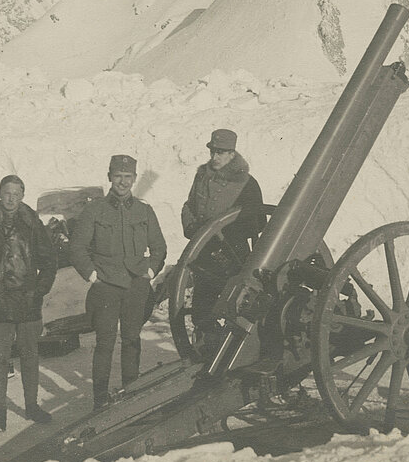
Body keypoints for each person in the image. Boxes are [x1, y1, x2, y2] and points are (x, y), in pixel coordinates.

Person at [70, 155, 167, 410]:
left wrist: (149, 270)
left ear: (134, 179)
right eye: (118, 176)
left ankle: (130, 394)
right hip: (106, 286)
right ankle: (100, 400)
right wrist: (92, 275)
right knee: (105, 343)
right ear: (109, 177)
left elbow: (159, 246)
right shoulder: (95, 210)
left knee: (132, 340)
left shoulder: (144, 210)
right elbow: (77, 247)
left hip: (136, 285)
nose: (123, 182)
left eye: (128, 177)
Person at [0, 175, 57, 431]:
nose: (12, 198)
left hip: (28, 302)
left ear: (23, 196)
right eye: (7, 192)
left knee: (30, 356)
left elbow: (50, 261)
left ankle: (32, 406)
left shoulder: (34, 225)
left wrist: (39, 290)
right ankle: (0, 412)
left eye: (17, 193)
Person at [180, 129, 266, 357]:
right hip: (205, 253)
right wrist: (192, 229)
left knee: (233, 305)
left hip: (233, 255)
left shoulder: (247, 183)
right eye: (213, 151)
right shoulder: (202, 177)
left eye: (222, 153)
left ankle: (231, 354)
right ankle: (205, 351)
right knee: (202, 306)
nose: (215, 157)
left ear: (232, 154)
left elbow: (256, 221)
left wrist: (223, 233)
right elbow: (189, 206)